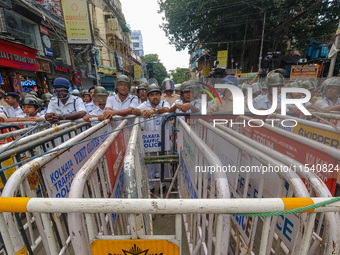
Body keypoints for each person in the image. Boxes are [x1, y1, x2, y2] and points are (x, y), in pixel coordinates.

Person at [132, 84, 171, 194]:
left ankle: (164, 187)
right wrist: (142, 112)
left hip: (164, 142)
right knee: (150, 167)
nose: (155, 97)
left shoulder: (164, 103)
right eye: (152, 95)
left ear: (160, 95)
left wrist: (154, 112)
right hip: (150, 142)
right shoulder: (143, 105)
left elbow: (167, 109)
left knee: (164, 166)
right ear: (148, 96)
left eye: (157, 94)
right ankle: (151, 188)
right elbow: (134, 111)